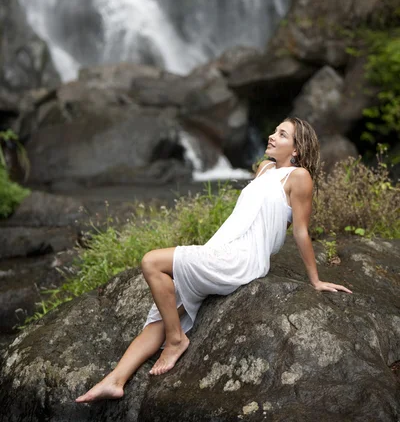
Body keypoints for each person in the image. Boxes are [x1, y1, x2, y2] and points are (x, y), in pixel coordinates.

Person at [76, 117, 352, 403]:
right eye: (274, 130)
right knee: (163, 315)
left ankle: (177, 340)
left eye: (282, 134)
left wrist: (315, 280)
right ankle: (115, 380)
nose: (271, 136)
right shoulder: (266, 167)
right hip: (222, 250)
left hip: (242, 259)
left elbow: (300, 230)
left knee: (151, 262)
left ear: (296, 149)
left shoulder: (299, 177)